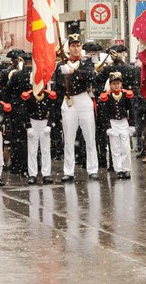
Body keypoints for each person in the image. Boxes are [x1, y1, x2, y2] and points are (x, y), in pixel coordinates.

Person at [53, 34, 99, 182]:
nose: (76, 48)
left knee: (90, 136)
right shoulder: (61, 65)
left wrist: (74, 72)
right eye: (73, 45)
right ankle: (68, 171)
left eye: (78, 45)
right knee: (69, 138)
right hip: (69, 99)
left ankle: (93, 169)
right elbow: (57, 85)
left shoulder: (87, 61)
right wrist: (63, 74)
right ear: (69, 48)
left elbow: (91, 76)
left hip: (83, 98)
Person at [99, 72, 134, 179]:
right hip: (113, 123)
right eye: (114, 83)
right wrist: (108, 127)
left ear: (121, 84)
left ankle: (127, 169)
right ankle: (118, 169)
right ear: (110, 85)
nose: (116, 85)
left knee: (126, 148)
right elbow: (104, 114)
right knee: (115, 148)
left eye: (118, 83)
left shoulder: (125, 94)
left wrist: (132, 125)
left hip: (123, 122)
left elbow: (131, 110)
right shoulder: (107, 96)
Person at [21, 87, 57, 185]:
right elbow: (25, 112)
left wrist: (49, 124)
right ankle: (32, 174)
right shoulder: (29, 96)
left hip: (44, 123)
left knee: (46, 150)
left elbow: (52, 111)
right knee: (32, 150)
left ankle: (46, 174)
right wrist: (28, 126)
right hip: (33, 122)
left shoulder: (49, 96)